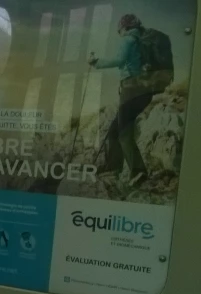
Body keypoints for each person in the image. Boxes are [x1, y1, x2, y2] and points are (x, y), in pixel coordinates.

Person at [89, 14, 155, 187]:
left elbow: (119, 60)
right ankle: (113, 168)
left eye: (119, 28)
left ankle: (139, 172)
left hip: (131, 90)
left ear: (124, 27)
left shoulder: (128, 40)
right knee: (114, 130)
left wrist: (96, 62)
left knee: (124, 132)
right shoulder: (142, 42)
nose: (119, 32)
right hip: (142, 91)